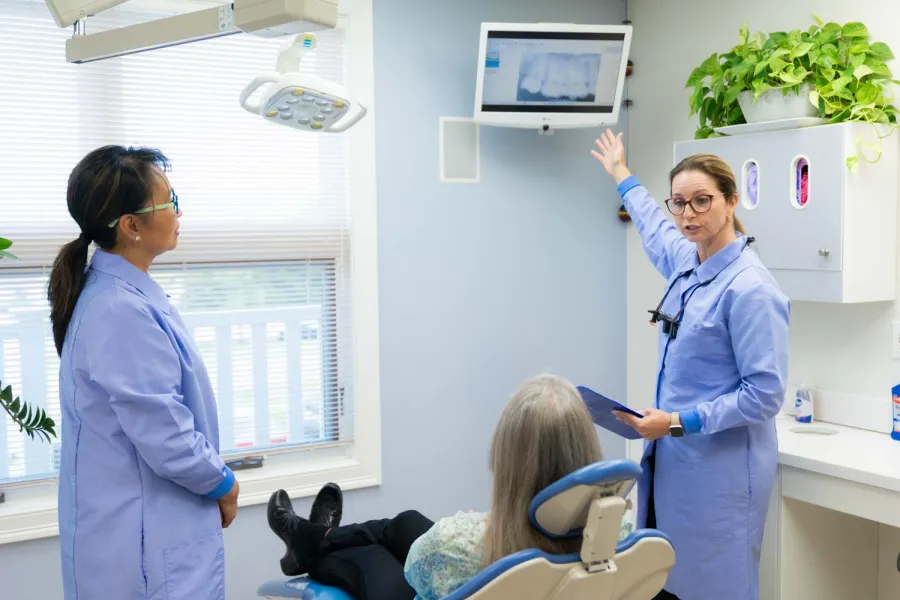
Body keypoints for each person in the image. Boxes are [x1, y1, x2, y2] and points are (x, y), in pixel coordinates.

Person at [591, 129, 790, 600]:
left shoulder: (751, 289)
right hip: (675, 461)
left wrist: (678, 422)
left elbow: (764, 394)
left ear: (731, 201)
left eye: (702, 201)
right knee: (668, 578)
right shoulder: (690, 263)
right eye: (678, 203)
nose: (687, 214)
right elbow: (654, 228)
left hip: (719, 474)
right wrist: (621, 173)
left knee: (718, 585)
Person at [50, 146, 239, 600]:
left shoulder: (115, 294)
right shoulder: (120, 310)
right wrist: (224, 483)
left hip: (140, 530)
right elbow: (165, 435)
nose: (179, 212)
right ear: (131, 226)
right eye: (169, 203)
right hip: (141, 545)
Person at [266, 374, 634, 600]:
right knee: (404, 522)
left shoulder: (453, 543)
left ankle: (312, 544)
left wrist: (470, 528)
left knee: (368, 556)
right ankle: (315, 534)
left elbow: (414, 569)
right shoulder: (621, 537)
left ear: (505, 459)